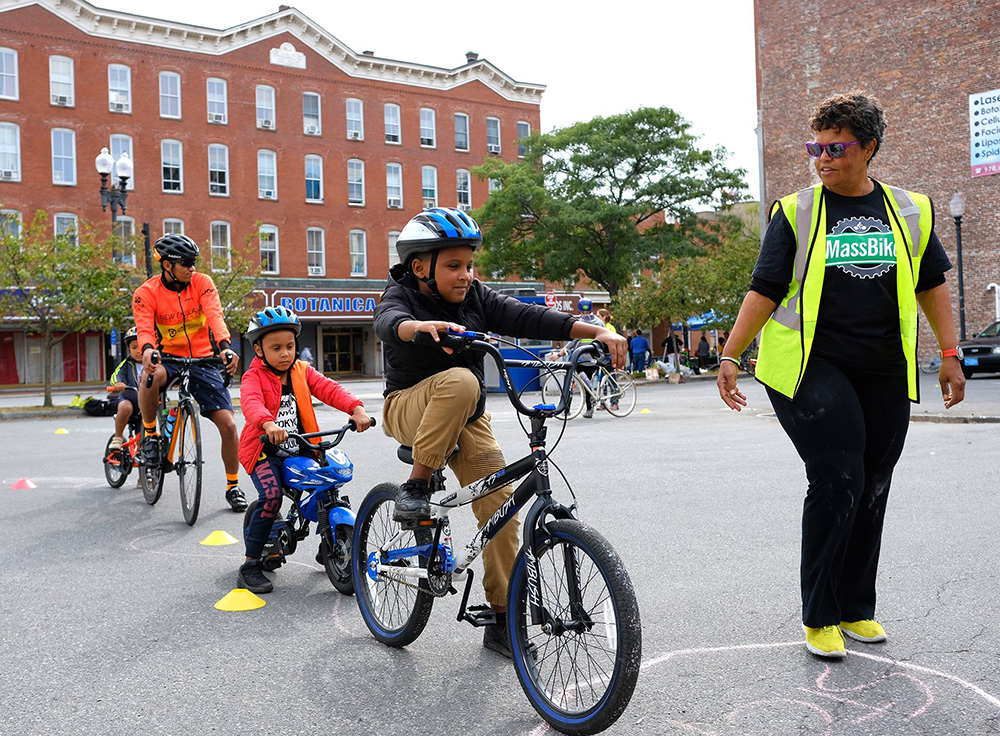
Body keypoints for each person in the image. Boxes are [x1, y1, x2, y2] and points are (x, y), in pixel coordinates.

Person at [717, 90, 965, 659]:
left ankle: (855, 606)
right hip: (809, 365)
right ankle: (820, 613)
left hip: (882, 366)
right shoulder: (796, 212)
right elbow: (764, 289)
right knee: (839, 475)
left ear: (869, 147)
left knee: (874, 481)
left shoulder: (912, 210)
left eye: (835, 148)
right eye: (815, 148)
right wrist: (731, 354)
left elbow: (930, 285)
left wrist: (949, 353)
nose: (821, 159)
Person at [373, 207, 626, 657]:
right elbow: (388, 322)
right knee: (463, 379)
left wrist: (597, 330)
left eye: (469, 265)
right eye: (453, 265)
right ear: (420, 267)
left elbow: (528, 317)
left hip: (467, 419)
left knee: (502, 508)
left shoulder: (477, 299)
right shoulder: (401, 293)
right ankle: (417, 484)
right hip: (409, 407)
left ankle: (503, 618)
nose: (465, 274)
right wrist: (418, 328)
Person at [235, 307, 371, 594]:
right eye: (276, 348)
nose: (285, 353)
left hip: (302, 445)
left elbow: (330, 389)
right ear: (258, 349)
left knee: (328, 482)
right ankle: (249, 566)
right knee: (271, 497)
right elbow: (250, 402)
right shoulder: (253, 376)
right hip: (264, 450)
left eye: (290, 346)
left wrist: (356, 408)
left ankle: (331, 540)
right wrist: (267, 423)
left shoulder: (301, 371)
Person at [132, 233, 247, 512]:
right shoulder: (146, 293)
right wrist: (147, 349)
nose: (191, 267)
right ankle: (150, 436)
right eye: (185, 262)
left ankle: (233, 486)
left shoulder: (202, 283)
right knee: (149, 377)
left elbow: (215, 315)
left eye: (193, 261)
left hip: (202, 358)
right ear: (167, 265)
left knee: (230, 425)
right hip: (167, 356)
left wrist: (225, 347)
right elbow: (145, 327)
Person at [107, 326, 142, 451]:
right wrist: (118, 383)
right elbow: (116, 375)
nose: (138, 351)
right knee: (125, 407)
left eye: (142, 346)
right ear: (129, 349)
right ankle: (118, 437)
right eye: (134, 347)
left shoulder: (155, 364)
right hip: (130, 399)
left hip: (148, 404)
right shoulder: (127, 364)